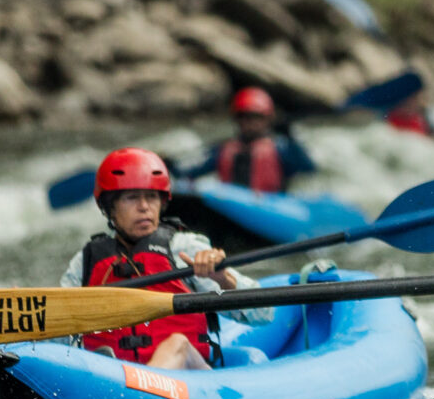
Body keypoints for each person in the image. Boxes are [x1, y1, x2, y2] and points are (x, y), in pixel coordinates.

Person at [60, 148, 273, 370]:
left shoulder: (184, 248)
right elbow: (56, 335)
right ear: (109, 207)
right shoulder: (86, 261)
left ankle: (140, 390)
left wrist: (222, 279)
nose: (144, 207)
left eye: (152, 197)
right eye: (132, 198)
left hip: (192, 382)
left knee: (177, 343)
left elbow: (264, 314)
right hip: (115, 381)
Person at [194, 86, 317, 194]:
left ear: (268, 119)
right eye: (244, 117)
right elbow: (190, 170)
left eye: (256, 117)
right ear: (237, 119)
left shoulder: (281, 147)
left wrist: (291, 139)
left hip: (269, 208)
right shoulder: (223, 149)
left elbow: (308, 168)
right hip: (229, 205)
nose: (250, 123)